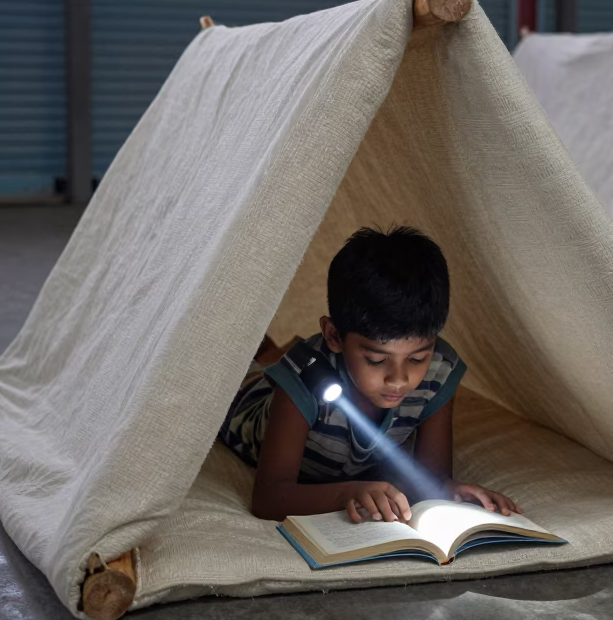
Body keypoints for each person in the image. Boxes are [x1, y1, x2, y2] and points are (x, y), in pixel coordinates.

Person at [218, 225, 522, 525]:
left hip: (312, 371)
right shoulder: (302, 380)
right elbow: (268, 498)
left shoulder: (438, 372)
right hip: (248, 403)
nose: (399, 379)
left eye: (417, 357)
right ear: (334, 336)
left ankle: (274, 350)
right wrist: (347, 493)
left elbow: (432, 477)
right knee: (237, 370)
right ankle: (265, 349)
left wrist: (449, 489)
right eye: (377, 360)